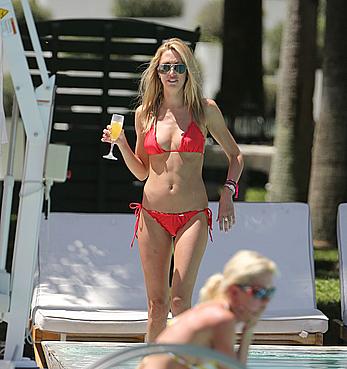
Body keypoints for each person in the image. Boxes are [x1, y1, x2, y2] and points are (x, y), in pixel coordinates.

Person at [101, 38, 243, 341]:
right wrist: (122, 144)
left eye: (179, 67)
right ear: (157, 72)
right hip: (152, 216)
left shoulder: (205, 111)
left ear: (188, 71)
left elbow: (236, 155)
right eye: (166, 67)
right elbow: (142, 171)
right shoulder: (145, 114)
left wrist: (228, 191)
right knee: (156, 306)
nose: (172, 73)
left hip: (192, 215)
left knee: (179, 303)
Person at [138, 250, 277, 369]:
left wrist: (248, 327)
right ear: (234, 292)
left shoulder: (211, 308)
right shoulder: (221, 318)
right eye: (259, 293)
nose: (266, 301)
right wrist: (249, 330)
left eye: (270, 293)